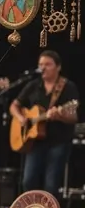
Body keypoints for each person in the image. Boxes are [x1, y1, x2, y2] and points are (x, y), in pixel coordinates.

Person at [10, 50, 81, 200]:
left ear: (58, 67)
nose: (43, 68)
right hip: (35, 142)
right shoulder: (33, 85)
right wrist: (22, 118)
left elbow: (74, 117)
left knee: (51, 185)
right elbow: (14, 106)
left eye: (47, 64)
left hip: (58, 142)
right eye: (40, 64)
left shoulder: (68, 87)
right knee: (28, 181)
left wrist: (60, 115)